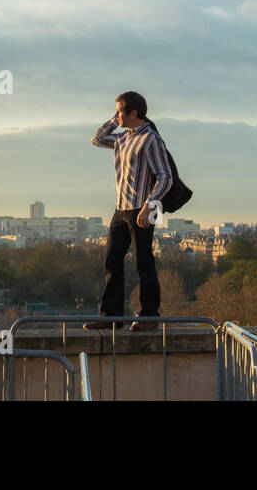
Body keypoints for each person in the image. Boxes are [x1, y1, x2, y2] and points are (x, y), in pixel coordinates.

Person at [84, 91, 173, 332]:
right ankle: (111, 317)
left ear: (134, 112)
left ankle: (149, 316)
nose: (117, 116)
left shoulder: (151, 140)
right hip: (121, 208)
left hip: (142, 209)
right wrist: (113, 120)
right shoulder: (123, 138)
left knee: (144, 263)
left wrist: (149, 205)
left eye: (120, 111)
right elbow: (97, 139)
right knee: (112, 261)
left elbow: (166, 177)